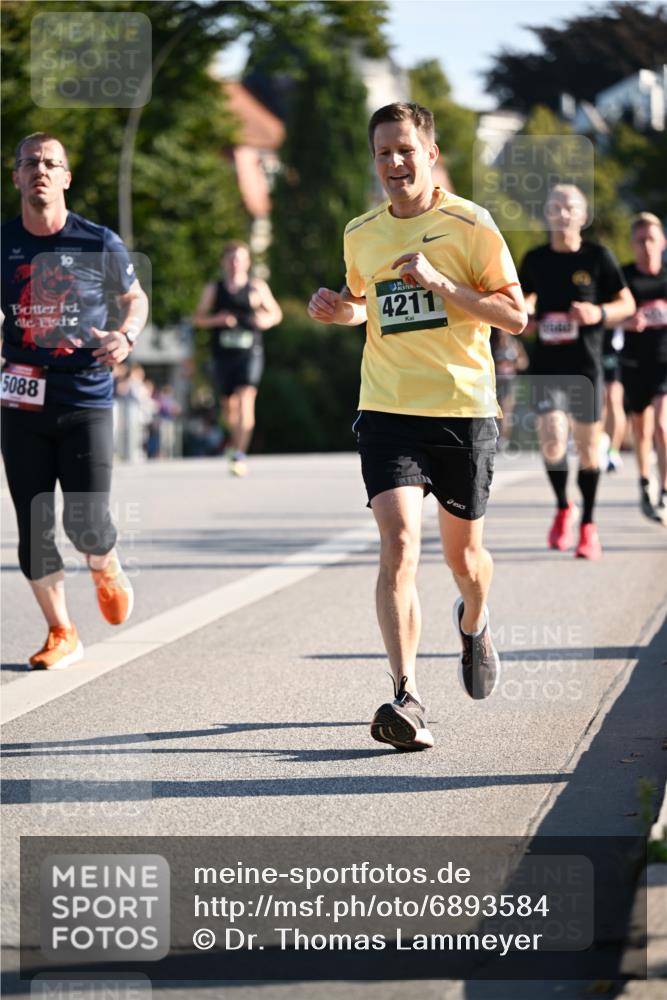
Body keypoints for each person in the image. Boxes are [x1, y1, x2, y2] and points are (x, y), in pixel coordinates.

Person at [308, 102, 527, 752]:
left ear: (428, 154)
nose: (394, 163)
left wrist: (438, 282)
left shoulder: (470, 224)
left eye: (405, 149)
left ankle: (474, 620)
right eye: (383, 153)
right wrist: (337, 311)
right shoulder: (361, 233)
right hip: (386, 409)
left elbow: (512, 317)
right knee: (399, 542)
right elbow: (365, 308)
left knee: (465, 561)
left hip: (462, 410)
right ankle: (405, 695)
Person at [1, 132, 148, 669]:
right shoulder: (3, 243)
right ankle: (61, 630)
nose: (39, 170)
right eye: (30, 162)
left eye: (50, 163)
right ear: (16, 176)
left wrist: (126, 336)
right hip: (20, 398)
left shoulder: (96, 241)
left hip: (85, 392)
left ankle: (104, 562)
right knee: (33, 526)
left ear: (65, 177)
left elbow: (135, 298)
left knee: (85, 523)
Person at [518, 185, 635, 560]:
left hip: (586, 366)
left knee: (587, 451)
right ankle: (562, 506)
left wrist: (598, 314)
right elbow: (520, 300)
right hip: (547, 367)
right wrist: (527, 318)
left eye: (570, 207)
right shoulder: (535, 259)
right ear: (547, 214)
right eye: (554, 206)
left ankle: (588, 524)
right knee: (552, 441)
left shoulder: (599, 257)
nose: (562, 212)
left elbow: (626, 303)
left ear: (583, 216)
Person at [194, 241, 282, 477]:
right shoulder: (214, 289)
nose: (235, 263)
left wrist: (265, 320)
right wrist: (217, 320)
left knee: (246, 397)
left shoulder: (256, 287)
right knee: (229, 407)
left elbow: (276, 313)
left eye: (240, 259)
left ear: (247, 262)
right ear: (224, 262)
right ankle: (235, 443)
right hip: (222, 354)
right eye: (231, 259)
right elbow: (199, 319)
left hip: (249, 352)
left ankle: (239, 454)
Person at [619, 212, 667, 522]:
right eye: (640, 240)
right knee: (642, 428)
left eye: (651, 239)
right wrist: (627, 321)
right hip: (635, 361)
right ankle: (644, 482)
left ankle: (664, 489)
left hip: (665, 360)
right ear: (633, 245)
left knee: (663, 424)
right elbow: (609, 315)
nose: (646, 246)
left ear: (662, 242)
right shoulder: (624, 278)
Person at [490, 327, 528, 449]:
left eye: (503, 330)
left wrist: (514, 362)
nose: (501, 332)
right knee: (495, 412)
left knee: (506, 411)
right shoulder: (492, 343)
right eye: (499, 330)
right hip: (495, 382)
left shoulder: (515, 344)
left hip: (510, 382)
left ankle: (503, 439)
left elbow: (524, 363)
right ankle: (494, 437)